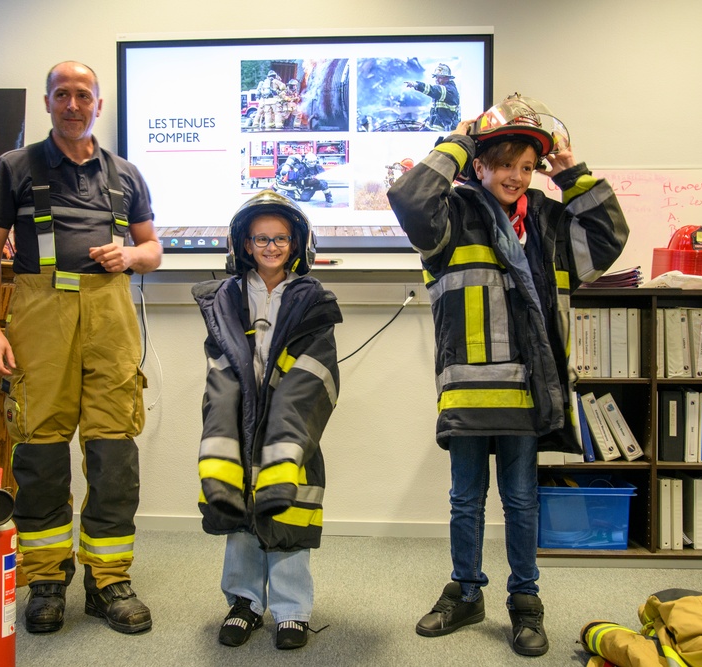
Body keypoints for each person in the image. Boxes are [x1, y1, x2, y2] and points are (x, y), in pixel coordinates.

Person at [387, 93, 628, 656]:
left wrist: (572, 173)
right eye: (504, 165)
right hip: (470, 387)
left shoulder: (548, 219)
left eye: (527, 167)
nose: (517, 177)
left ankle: (526, 602)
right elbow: (410, 198)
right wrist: (460, 137)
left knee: (522, 500)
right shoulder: (451, 214)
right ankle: (467, 591)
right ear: (480, 164)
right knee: (464, 498)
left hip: (528, 387)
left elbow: (606, 240)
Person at [0, 60, 163, 636]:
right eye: (62, 94)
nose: (73, 104)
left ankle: (109, 580)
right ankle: (47, 578)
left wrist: (129, 256)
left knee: (114, 455)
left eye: (84, 95)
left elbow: (154, 248)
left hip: (110, 316)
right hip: (38, 312)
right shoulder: (13, 168)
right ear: (48, 102)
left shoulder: (125, 173)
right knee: (41, 452)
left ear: (99, 105)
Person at [191, 189, 342, 651]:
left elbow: (317, 370)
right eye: (261, 240)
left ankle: (291, 611)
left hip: (289, 426)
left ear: (296, 243)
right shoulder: (226, 296)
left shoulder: (313, 298)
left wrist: (286, 434)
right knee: (240, 516)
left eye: (280, 239)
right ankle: (243, 602)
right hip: (241, 421)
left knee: (289, 511)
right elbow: (221, 366)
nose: (271, 247)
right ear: (244, 245)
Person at [404, 63, 461, 132]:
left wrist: (416, 85)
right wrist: (426, 121)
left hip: (444, 129)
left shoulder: (449, 91)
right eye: (436, 77)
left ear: (447, 78)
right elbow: (436, 112)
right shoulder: (441, 92)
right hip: (434, 126)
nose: (437, 80)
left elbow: (432, 90)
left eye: (440, 77)